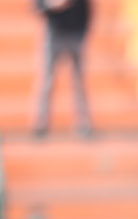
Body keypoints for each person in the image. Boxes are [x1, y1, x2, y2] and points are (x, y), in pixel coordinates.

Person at [33, 0, 93, 138]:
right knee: (46, 81)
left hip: (75, 35)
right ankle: (41, 123)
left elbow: (87, 9)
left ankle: (84, 123)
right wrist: (52, 5)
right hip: (54, 33)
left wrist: (83, 32)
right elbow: (37, 6)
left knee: (79, 83)